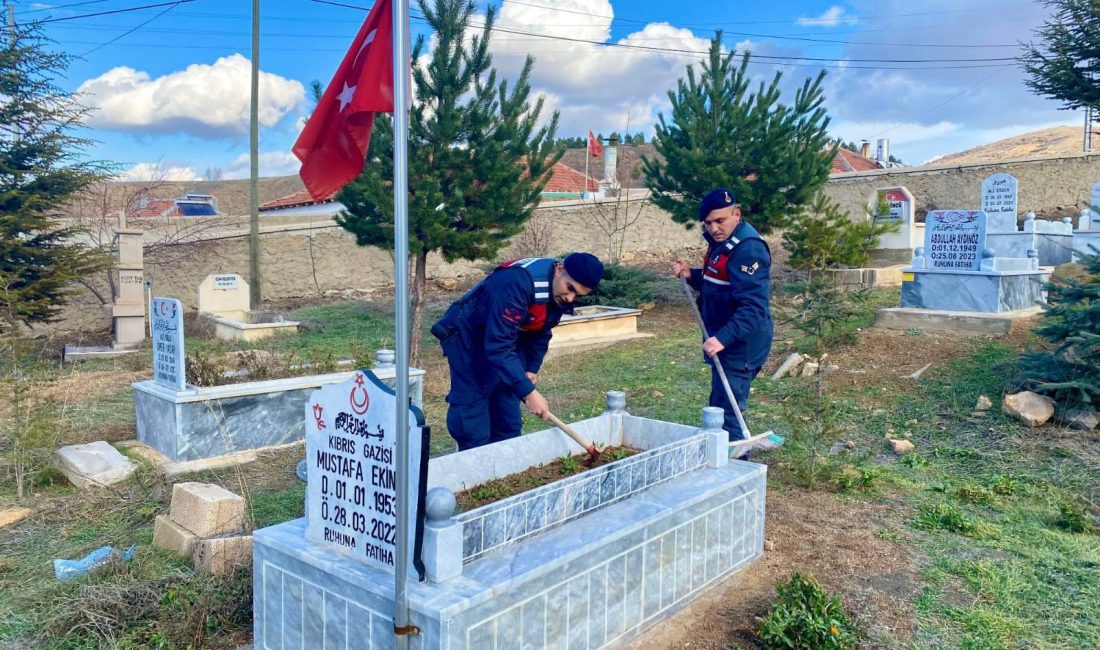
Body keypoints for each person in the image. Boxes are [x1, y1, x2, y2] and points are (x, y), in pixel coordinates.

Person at [432, 252, 604, 450]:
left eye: (578, 295)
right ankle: (474, 459)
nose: (570, 298)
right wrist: (529, 393)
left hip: (505, 336)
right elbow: (498, 345)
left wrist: (531, 368)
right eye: (570, 288)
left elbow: (542, 330)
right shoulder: (516, 282)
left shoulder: (559, 293)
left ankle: (506, 459)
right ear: (559, 269)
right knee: (474, 413)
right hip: (468, 336)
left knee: (507, 412)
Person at [672, 188, 773, 441]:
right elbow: (719, 282)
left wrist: (722, 339)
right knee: (720, 404)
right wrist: (692, 275)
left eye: (720, 220)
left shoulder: (748, 249)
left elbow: (754, 308)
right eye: (708, 223)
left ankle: (736, 461)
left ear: (736, 214)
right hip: (726, 341)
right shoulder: (722, 243)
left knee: (727, 413)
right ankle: (723, 454)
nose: (714, 228)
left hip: (741, 346)